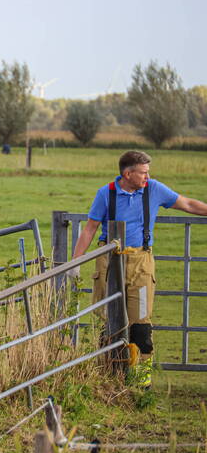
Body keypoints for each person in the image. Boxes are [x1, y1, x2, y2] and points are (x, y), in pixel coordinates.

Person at [68, 150, 207, 386]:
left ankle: (142, 380)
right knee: (107, 318)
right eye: (143, 172)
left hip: (141, 262)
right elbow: (90, 229)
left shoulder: (153, 189)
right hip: (109, 260)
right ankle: (108, 376)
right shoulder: (106, 194)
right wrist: (75, 263)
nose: (147, 176)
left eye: (148, 172)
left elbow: (188, 204)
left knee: (140, 321)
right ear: (127, 173)